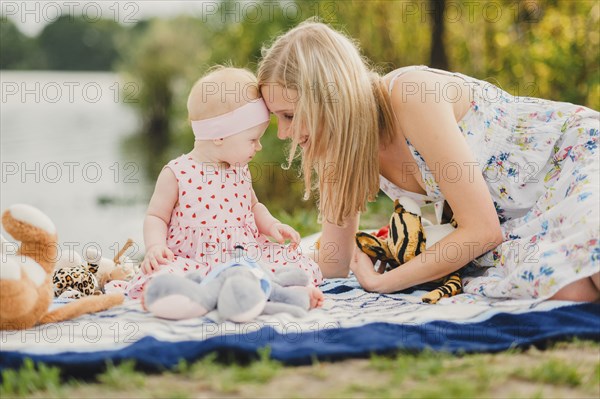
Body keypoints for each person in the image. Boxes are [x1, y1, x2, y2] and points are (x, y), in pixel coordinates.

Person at [257, 21, 600, 302]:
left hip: (574, 159)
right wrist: (256, 265)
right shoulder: (337, 147)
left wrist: (384, 283)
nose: (284, 133)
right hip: (523, 217)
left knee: (593, 255)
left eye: (289, 115)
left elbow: (481, 230)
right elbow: (332, 262)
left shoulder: (410, 94)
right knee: (569, 290)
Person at [127, 67, 324, 308]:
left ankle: (284, 291)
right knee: (167, 275)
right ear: (219, 136)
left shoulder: (240, 170)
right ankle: (170, 296)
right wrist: (155, 247)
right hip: (193, 260)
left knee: (286, 263)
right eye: (253, 139)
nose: (258, 147)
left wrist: (272, 225)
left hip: (244, 256)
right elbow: (156, 216)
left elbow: (254, 206)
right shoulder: (177, 173)